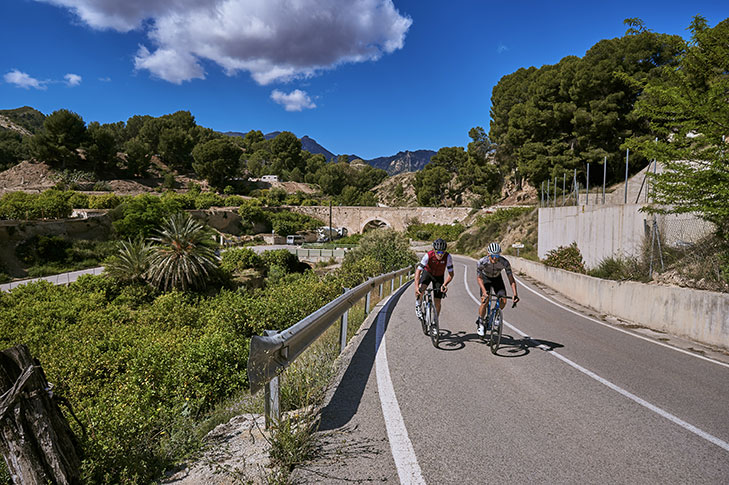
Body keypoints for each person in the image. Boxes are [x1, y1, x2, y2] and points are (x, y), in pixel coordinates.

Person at [475, 242, 519, 337]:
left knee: (503, 300)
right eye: (493, 255)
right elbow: (479, 278)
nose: (495, 258)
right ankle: (481, 322)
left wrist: (515, 294)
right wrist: (484, 291)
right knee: (484, 301)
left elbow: (511, 279)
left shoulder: (504, 262)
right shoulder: (482, 262)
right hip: (485, 279)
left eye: (497, 255)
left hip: (497, 279)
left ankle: (495, 315)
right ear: (488, 254)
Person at [414, 238, 454, 320]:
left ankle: (435, 320)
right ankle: (418, 305)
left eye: (442, 252)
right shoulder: (428, 256)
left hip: (439, 277)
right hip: (428, 273)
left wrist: (445, 284)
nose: (440, 254)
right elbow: (418, 271)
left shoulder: (448, 257)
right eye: (438, 252)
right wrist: (416, 287)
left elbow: (451, 274)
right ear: (434, 250)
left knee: (437, 301)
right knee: (422, 289)